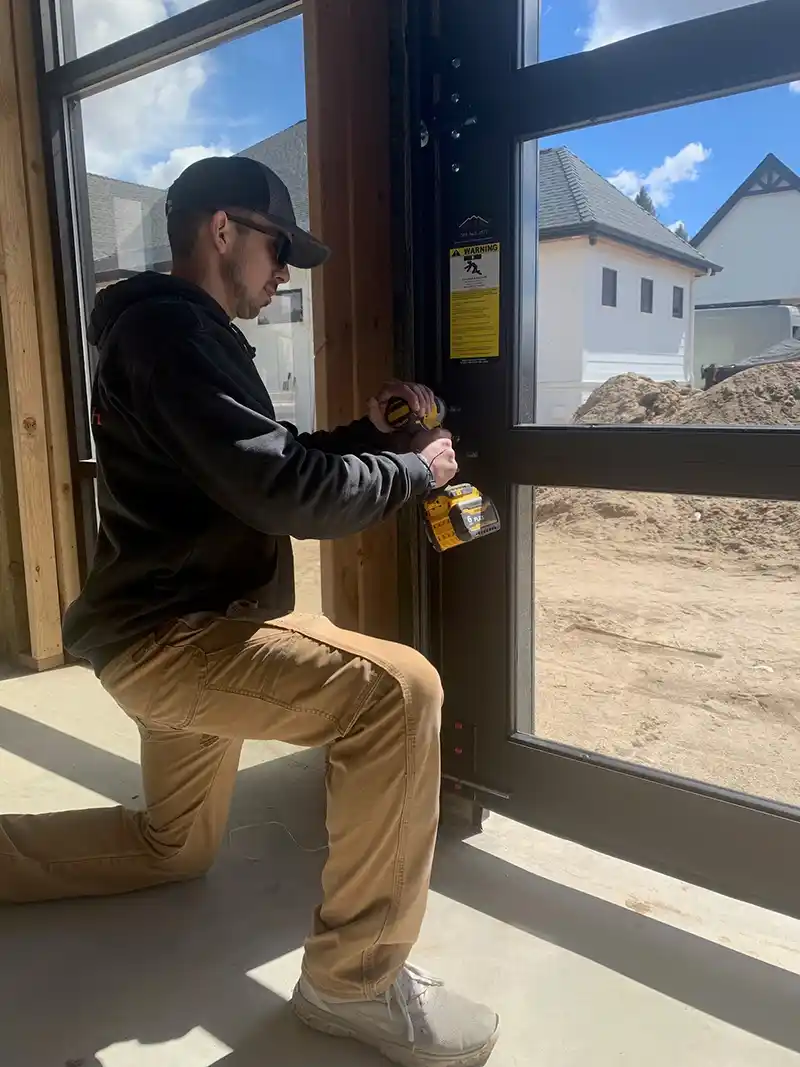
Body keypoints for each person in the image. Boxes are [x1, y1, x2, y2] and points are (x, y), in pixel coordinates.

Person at [0, 156, 499, 1066]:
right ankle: (354, 981)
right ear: (222, 231)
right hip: (184, 638)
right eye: (279, 250)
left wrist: (376, 440)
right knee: (399, 693)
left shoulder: (169, 336)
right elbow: (282, 490)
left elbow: (264, 466)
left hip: (162, 633)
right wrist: (415, 470)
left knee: (171, 848)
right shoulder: (171, 334)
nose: (285, 274)